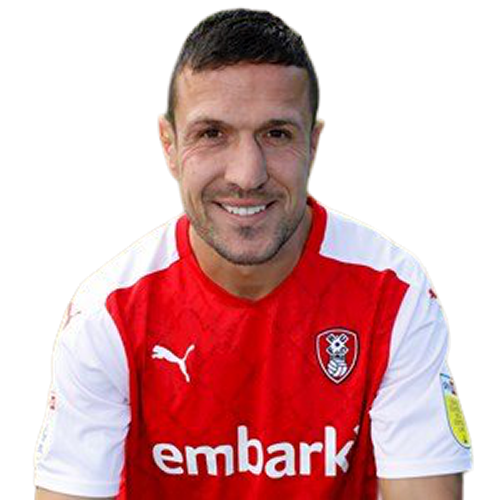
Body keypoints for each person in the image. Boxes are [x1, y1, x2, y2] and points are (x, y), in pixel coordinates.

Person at [34, 7, 473, 499]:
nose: (247, 174)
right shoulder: (108, 311)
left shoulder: (393, 291)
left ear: (314, 145)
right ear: (168, 145)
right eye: (212, 134)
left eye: (276, 134)